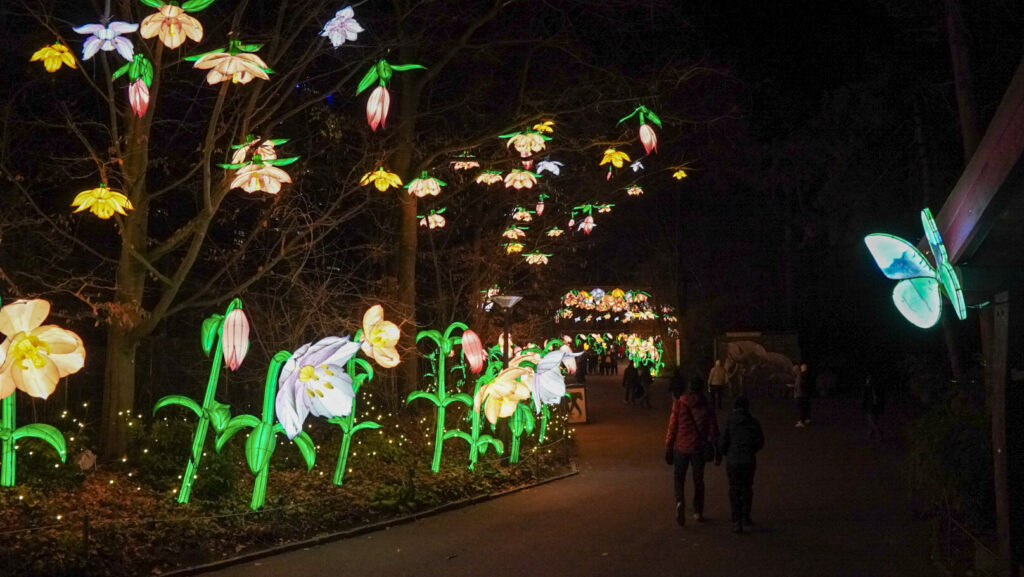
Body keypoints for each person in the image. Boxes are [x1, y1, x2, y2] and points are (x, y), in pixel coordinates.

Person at [665, 379, 719, 525]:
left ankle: (680, 501)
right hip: (698, 448)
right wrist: (715, 446)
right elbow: (713, 427)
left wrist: (669, 445)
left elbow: (672, 427)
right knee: (698, 479)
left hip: (681, 447)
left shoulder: (679, 403)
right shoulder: (706, 405)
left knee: (679, 478)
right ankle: (697, 511)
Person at [719, 396, 764, 533]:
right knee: (747, 488)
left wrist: (726, 452)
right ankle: (746, 516)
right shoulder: (753, 422)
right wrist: (751, 449)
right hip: (748, 460)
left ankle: (736, 520)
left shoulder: (729, 422)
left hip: (733, 460)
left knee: (734, 489)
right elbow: (760, 441)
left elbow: (723, 442)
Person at [860, 375, 887, 440]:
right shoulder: (878, 387)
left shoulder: (867, 388)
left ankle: (879, 433)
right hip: (877, 406)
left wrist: (862, 406)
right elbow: (882, 397)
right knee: (874, 421)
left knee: (871, 421)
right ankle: (871, 435)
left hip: (871, 407)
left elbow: (864, 398)